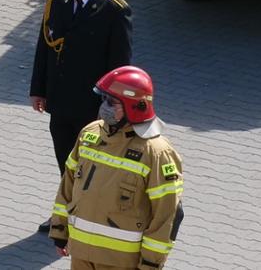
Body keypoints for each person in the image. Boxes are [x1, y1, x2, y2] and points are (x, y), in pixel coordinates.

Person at [50, 66, 184, 269]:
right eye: (103, 99)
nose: (105, 107)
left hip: (120, 261)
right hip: (81, 253)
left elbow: (167, 215)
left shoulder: (156, 153)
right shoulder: (90, 134)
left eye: (112, 102)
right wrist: (59, 230)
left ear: (134, 106)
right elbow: (67, 185)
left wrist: (150, 263)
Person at [32, 0, 133, 172]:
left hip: (91, 108)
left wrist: (113, 105)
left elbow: (120, 65)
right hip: (59, 103)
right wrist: (38, 89)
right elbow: (44, 47)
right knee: (65, 165)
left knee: (90, 169)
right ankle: (69, 203)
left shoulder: (114, 10)